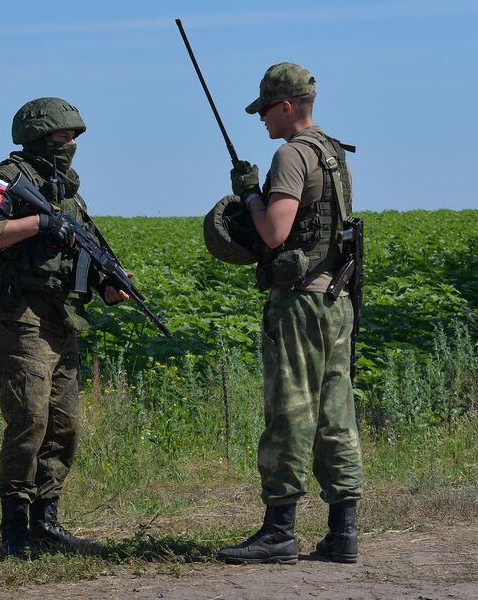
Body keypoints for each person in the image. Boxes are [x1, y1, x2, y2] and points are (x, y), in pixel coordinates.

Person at [0, 97, 128, 559]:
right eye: (63, 137)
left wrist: (106, 283)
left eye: (75, 137)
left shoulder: (68, 193)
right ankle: (14, 527)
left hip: (61, 315)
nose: (72, 145)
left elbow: (84, 248)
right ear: (39, 136)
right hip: (20, 314)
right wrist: (38, 222)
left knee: (64, 424)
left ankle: (46, 520)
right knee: (29, 419)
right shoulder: (5, 180)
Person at [216, 63, 363, 565]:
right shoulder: (334, 153)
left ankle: (279, 532)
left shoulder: (290, 155)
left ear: (285, 106)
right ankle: (343, 532)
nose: (261, 121)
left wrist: (251, 194)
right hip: (335, 300)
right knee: (336, 412)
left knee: (290, 410)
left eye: (264, 111)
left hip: (299, 302)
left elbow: (275, 233)